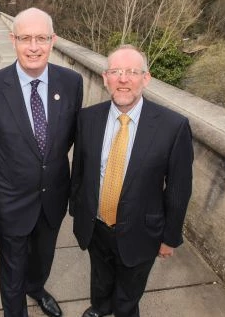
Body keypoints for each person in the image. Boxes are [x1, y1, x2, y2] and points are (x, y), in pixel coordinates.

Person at [0, 8, 83, 317]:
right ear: (13, 40)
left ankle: (37, 288)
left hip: (54, 195)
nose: (34, 46)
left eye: (42, 38)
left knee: (43, 258)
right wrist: (13, 171)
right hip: (10, 199)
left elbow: (67, 137)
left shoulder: (72, 83)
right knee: (12, 269)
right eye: (26, 38)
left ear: (53, 40)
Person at [70, 45, 193, 317]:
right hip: (96, 225)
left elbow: (178, 188)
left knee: (129, 293)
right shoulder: (87, 118)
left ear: (145, 78)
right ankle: (100, 308)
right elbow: (80, 168)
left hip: (141, 231)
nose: (123, 79)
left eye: (132, 72)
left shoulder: (173, 126)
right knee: (100, 278)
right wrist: (76, 209)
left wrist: (170, 237)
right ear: (105, 78)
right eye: (115, 72)